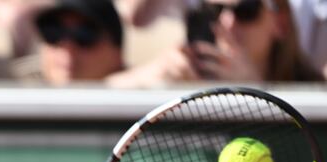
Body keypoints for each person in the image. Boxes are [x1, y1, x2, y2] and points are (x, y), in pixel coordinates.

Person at [109, 0, 324, 85]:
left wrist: (255, 91)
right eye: (214, 11)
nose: (226, 23)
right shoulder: (185, 69)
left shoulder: (313, 89)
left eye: (246, 11)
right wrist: (151, 78)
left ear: (281, 24)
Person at [24, 0, 126, 84]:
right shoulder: (17, 97)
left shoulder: (137, 101)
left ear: (117, 53)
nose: (67, 46)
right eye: (52, 33)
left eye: (85, 35)